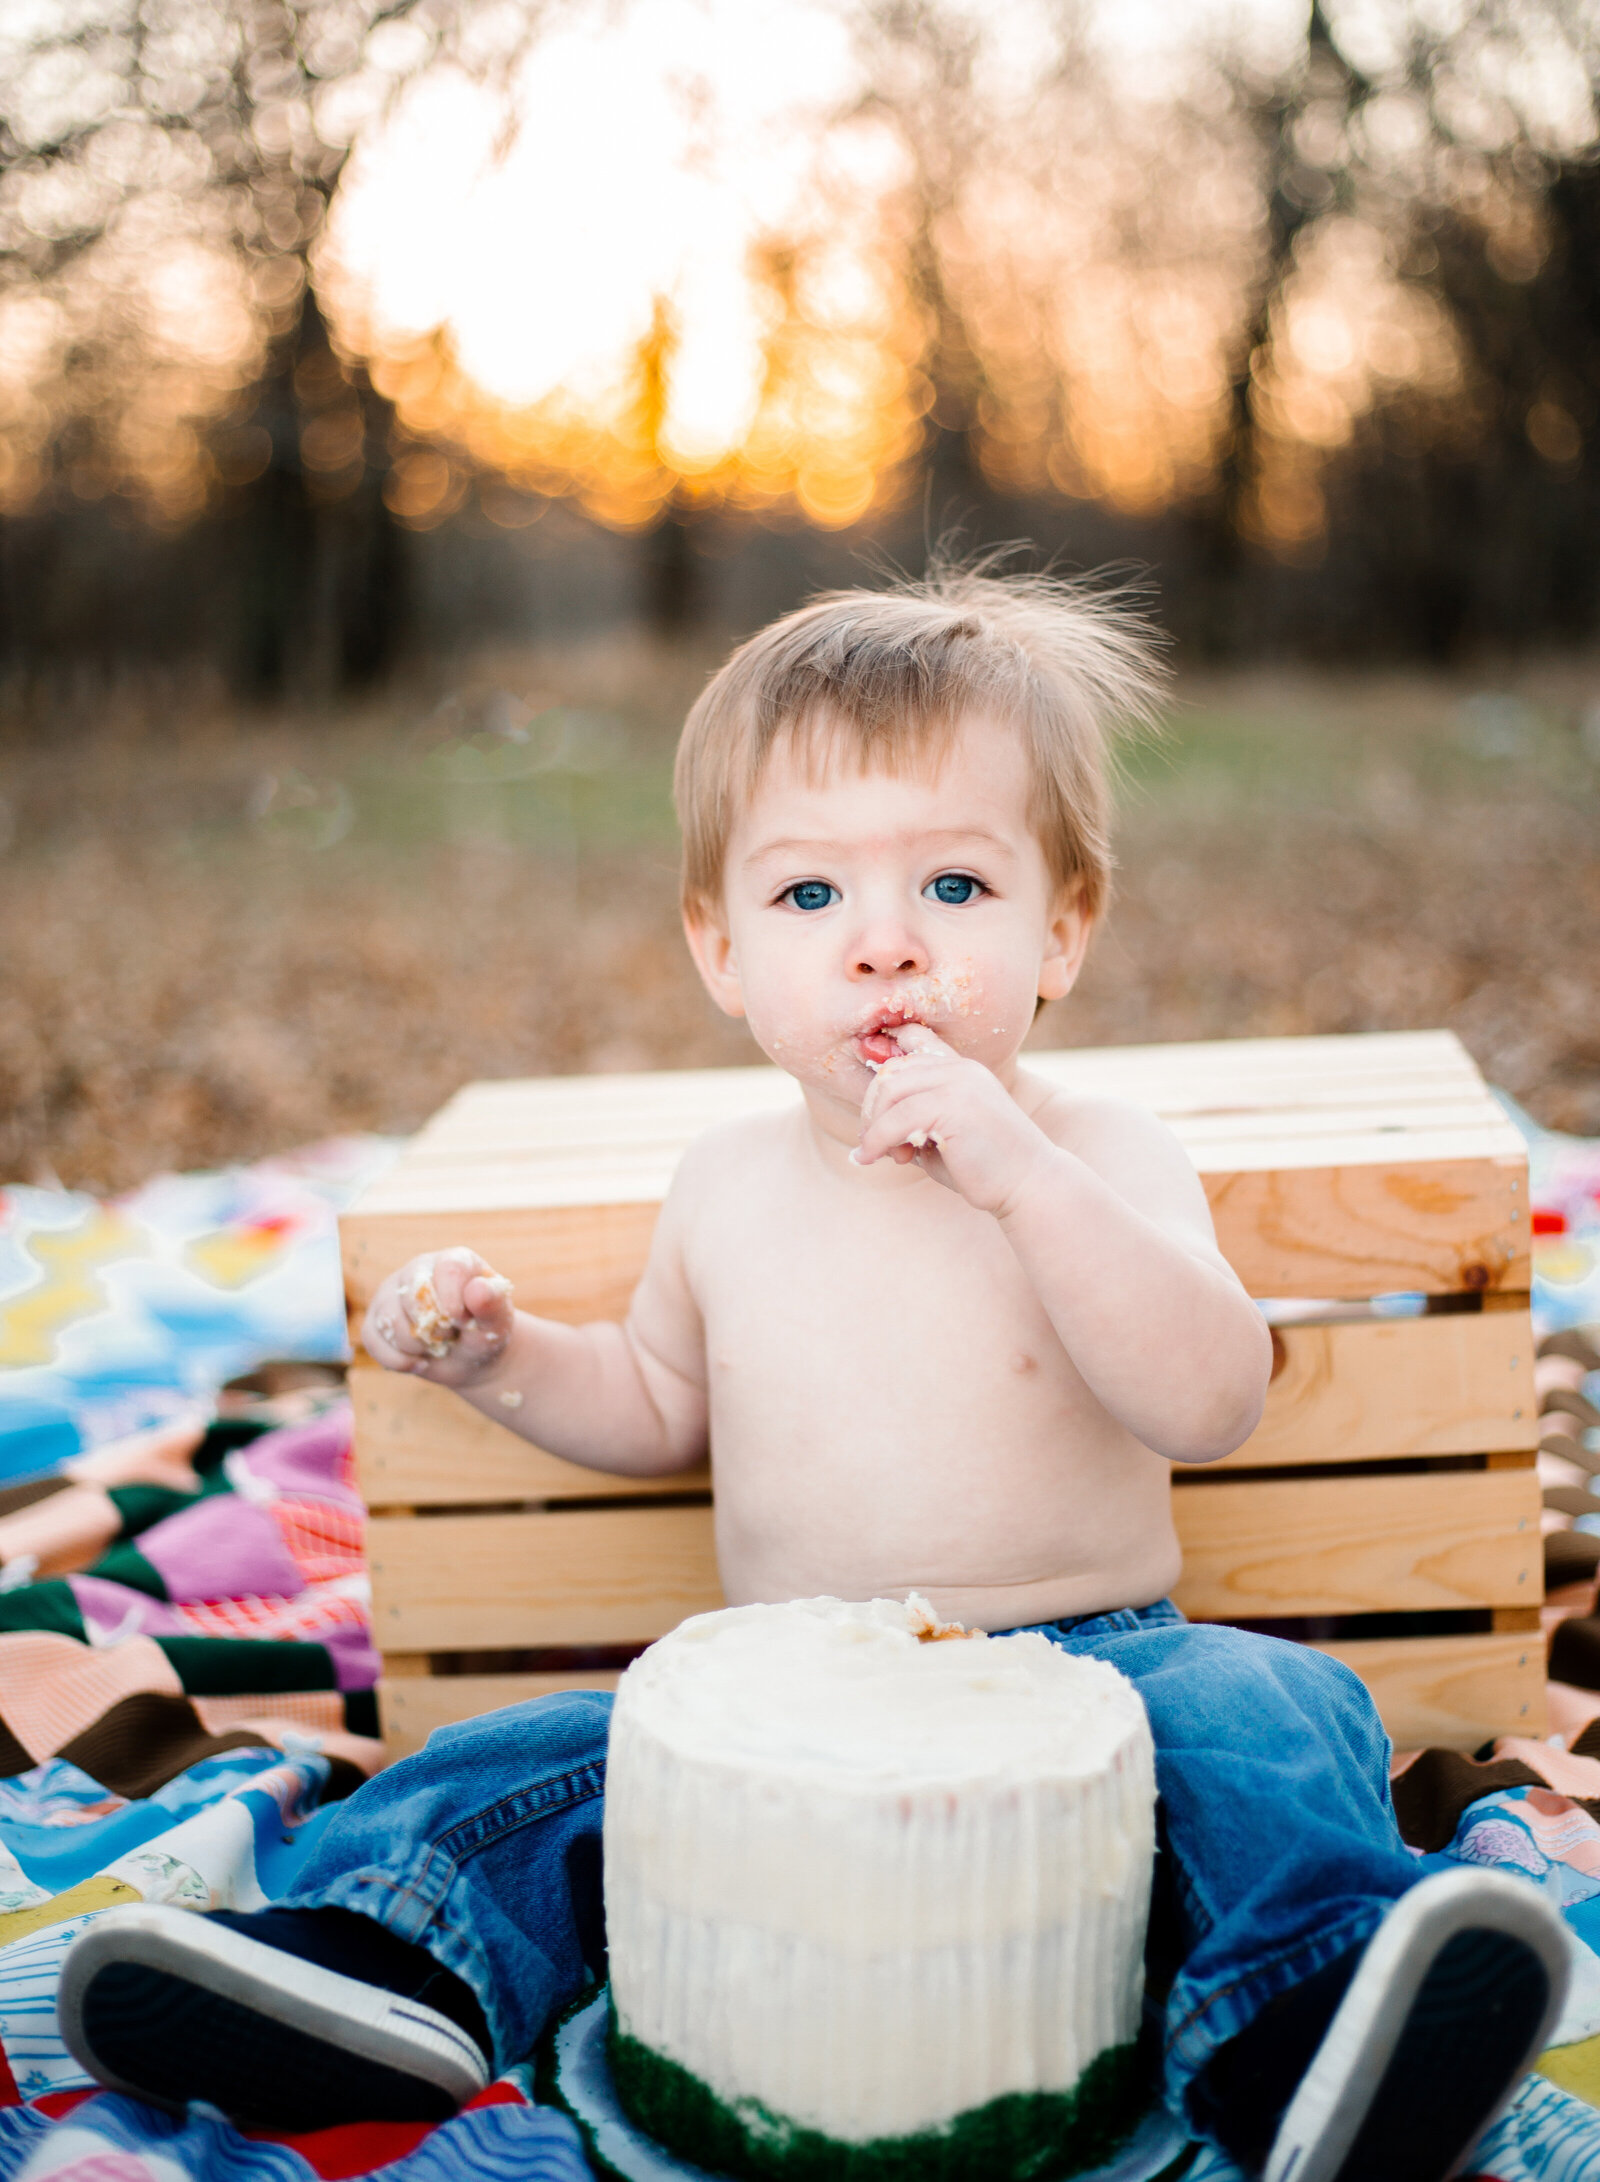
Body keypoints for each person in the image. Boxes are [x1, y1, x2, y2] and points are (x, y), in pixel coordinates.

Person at [60, 571, 1568, 2182]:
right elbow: (651, 1403)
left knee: (1275, 1711)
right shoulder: (726, 1183)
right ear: (720, 948)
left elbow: (1211, 1399)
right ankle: (381, 1968)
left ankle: (1308, 2024)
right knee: (522, 1762)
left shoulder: (1103, 1156)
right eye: (807, 900)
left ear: (1065, 927)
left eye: (956, 885)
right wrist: (502, 1360)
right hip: (775, 1698)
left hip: (1099, 1668)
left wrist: (1022, 1181)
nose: (886, 948)